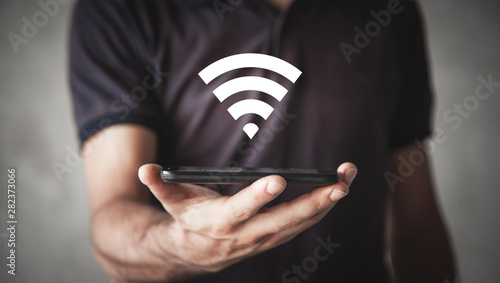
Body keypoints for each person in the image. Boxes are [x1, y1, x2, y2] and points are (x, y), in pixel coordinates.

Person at [69, 0, 457, 282]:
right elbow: (112, 225)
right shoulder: (118, 8)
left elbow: (416, 218)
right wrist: (183, 245)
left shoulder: (391, 11)